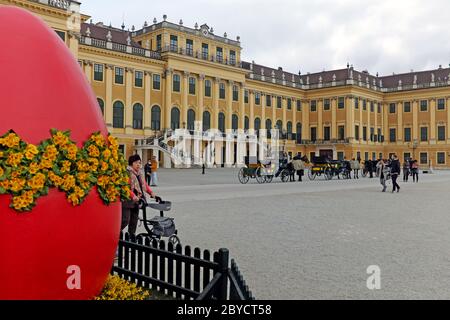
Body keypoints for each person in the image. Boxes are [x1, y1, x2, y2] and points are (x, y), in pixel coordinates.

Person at [122, 154, 160, 236]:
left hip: (137, 201)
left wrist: (151, 193)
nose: (138, 164)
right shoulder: (127, 173)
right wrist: (133, 196)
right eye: (136, 163)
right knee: (125, 220)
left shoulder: (139, 174)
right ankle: (114, 236)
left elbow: (144, 185)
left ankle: (131, 240)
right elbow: (124, 187)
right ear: (131, 163)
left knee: (133, 222)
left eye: (139, 163)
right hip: (127, 201)